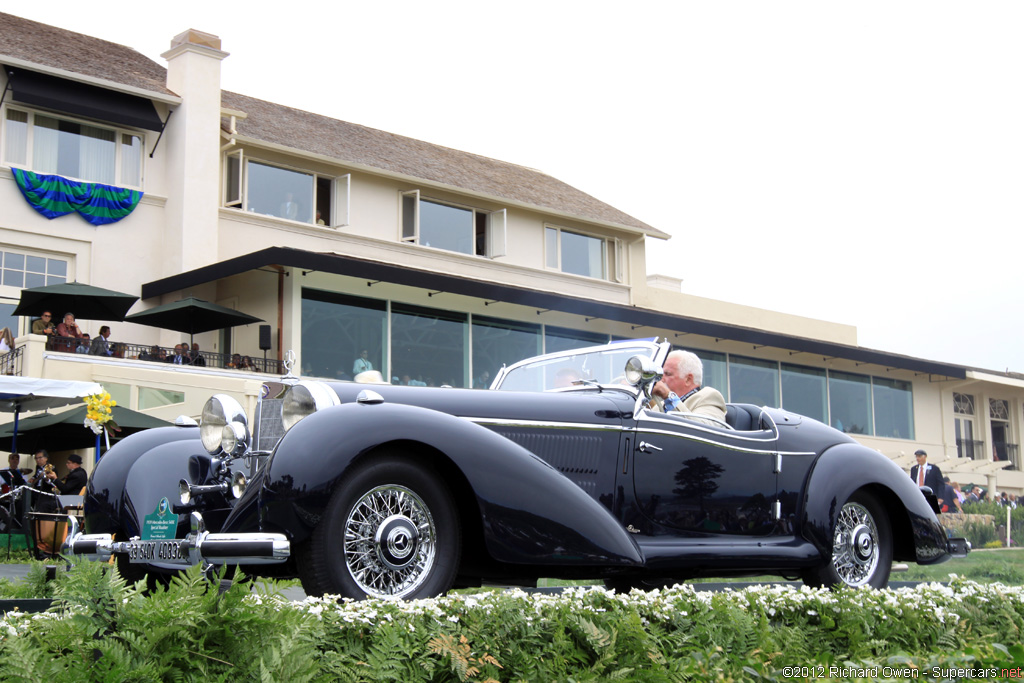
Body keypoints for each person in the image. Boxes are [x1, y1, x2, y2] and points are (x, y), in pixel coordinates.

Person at [651, 350, 728, 426]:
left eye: (668, 374)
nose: (661, 379)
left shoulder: (709, 397)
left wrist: (667, 395)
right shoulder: (660, 405)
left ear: (688, 379)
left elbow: (703, 430)